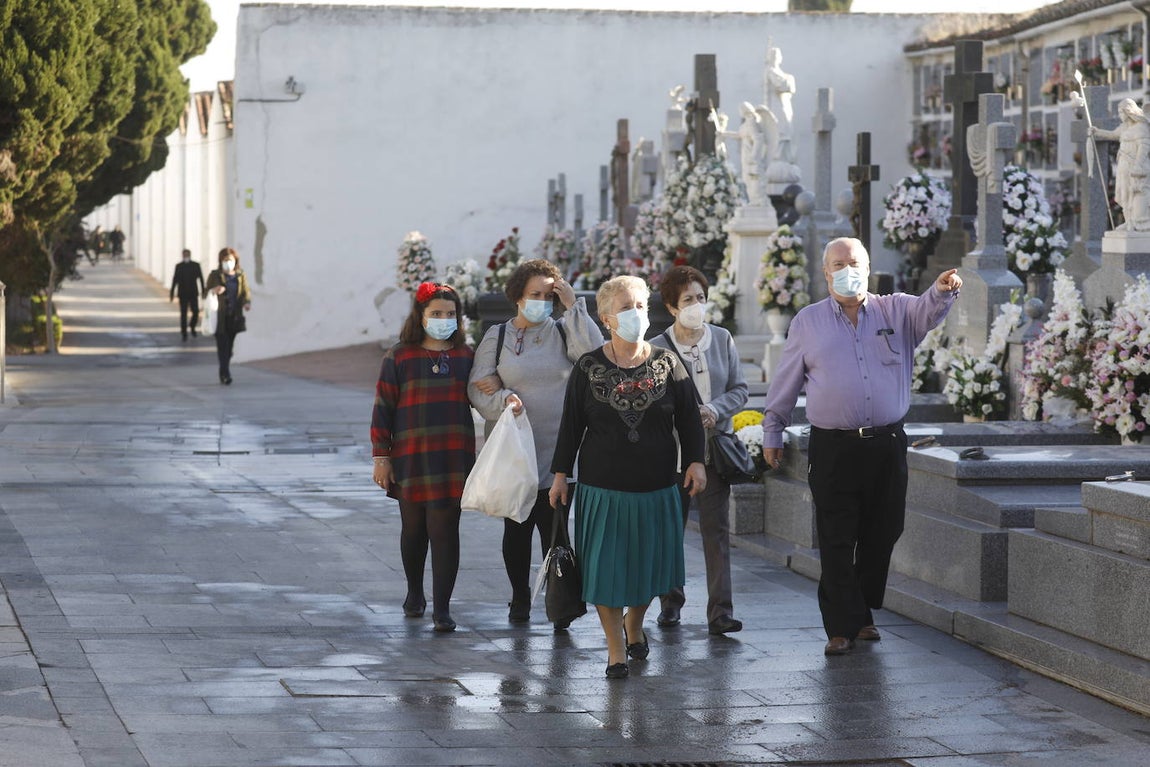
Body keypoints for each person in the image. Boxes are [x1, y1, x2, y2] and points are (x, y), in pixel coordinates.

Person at [761, 237, 962, 656]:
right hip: (833, 447)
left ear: (868, 268)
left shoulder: (896, 310)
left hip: (886, 444)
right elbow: (786, 381)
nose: (846, 270)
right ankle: (841, 626)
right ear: (826, 271)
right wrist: (773, 431)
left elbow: (928, 309)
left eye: (854, 262)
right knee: (836, 536)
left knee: (885, 530)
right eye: (838, 263)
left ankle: (861, 609)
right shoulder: (808, 322)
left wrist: (942, 290)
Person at [549, 275, 706, 679]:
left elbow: (690, 418)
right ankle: (616, 649)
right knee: (605, 568)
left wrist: (695, 461)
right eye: (625, 308)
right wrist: (560, 474)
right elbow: (571, 426)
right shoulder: (588, 367)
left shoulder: (669, 363)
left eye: (640, 306)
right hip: (603, 489)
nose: (636, 314)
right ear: (606, 319)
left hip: (657, 487)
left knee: (650, 567)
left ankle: (634, 624)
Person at [467, 259, 604, 629]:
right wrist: (504, 399)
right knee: (517, 528)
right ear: (517, 296)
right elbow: (477, 386)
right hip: (517, 452)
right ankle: (520, 596)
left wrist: (575, 305)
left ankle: (558, 602)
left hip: (559, 450)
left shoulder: (563, 332)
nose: (541, 301)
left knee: (556, 530)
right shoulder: (497, 337)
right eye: (534, 295)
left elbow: (595, 357)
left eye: (548, 295)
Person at [650, 266, 748, 636]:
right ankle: (670, 601)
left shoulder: (722, 339)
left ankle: (720, 611)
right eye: (688, 300)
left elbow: (740, 390)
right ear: (673, 308)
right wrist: (687, 415)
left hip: (714, 452)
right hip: (672, 456)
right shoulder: (657, 347)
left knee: (716, 530)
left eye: (701, 298)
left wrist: (715, 409)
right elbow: (653, 400)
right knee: (670, 530)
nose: (696, 305)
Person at [372, 282, 475, 633]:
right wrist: (381, 458)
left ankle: (443, 608)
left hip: (452, 457)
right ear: (421, 316)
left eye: (450, 314)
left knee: (445, 531)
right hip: (411, 457)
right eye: (436, 314)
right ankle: (415, 592)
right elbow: (383, 409)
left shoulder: (466, 356)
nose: (444, 320)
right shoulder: (399, 356)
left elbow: (482, 395)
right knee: (414, 530)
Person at [1091, 98, 1150, 232]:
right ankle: (1128, 221)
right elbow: (1112, 135)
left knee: (1135, 193)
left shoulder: (1141, 127)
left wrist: (1138, 164)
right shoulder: (1124, 128)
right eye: (1119, 112)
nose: (1120, 115)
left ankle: (1138, 222)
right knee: (1124, 193)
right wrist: (1097, 131)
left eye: (1121, 112)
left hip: (1136, 166)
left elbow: (1144, 147)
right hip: (1123, 164)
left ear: (1129, 111)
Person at [204, 247, 251, 385]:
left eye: (230, 260)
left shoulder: (240, 276)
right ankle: (225, 374)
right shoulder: (215, 275)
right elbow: (205, 292)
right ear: (220, 261)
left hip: (234, 316)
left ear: (235, 260)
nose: (227, 263)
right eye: (225, 260)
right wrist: (214, 290)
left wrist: (246, 303)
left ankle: (224, 369)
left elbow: (245, 292)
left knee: (229, 349)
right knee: (222, 345)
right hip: (219, 316)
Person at [170, 249, 205, 341]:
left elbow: (201, 278)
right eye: (184, 254)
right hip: (182, 294)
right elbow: (175, 280)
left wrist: (203, 291)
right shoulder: (179, 266)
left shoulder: (195, 265)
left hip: (193, 293)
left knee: (196, 312)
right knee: (183, 313)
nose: (186, 256)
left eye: (187, 254)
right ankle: (184, 332)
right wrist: (172, 293)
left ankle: (192, 326)